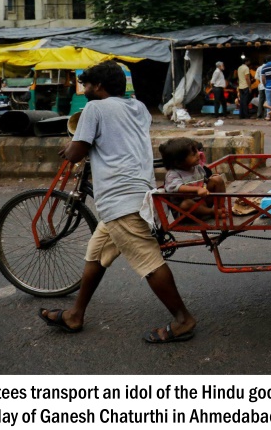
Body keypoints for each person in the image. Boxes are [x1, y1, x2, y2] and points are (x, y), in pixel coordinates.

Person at [38, 61, 197, 344]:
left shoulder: (94, 109)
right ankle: (76, 314)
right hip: (139, 193)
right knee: (96, 254)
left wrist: (68, 147)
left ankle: (183, 319)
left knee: (149, 263)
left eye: (87, 84)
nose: (85, 89)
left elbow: (76, 153)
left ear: (98, 86)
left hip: (121, 199)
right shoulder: (138, 108)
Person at [159, 137, 227, 218]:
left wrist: (209, 181)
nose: (199, 154)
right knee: (186, 204)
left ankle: (220, 208)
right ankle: (213, 212)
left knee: (217, 179)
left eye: (197, 151)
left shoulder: (197, 167)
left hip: (201, 201)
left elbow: (203, 181)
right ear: (179, 162)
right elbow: (177, 187)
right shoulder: (173, 174)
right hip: (187, 212)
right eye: (194, 154)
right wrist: (197, 189)